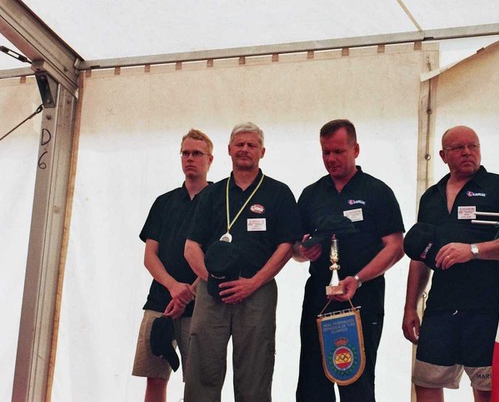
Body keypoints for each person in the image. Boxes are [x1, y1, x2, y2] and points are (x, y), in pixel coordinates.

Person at [402, 125, 499, 402]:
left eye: (473, 146)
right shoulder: (431, 197)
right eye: (458, 148)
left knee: (487, 388)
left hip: (487, 308)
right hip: (441, 307)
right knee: (426, 382)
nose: (467, 152)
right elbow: (419, 257)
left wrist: (473, 250)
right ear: (443, 155)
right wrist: (410, 306)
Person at [183, 122, 302, 402]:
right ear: (229, 150)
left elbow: (286, 246)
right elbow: (191, 247)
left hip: (257, 290)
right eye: (239, 144)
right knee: (202, 366)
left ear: (262, 151)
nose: (245, 149)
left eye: (251, 145)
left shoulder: (278, 193)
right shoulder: (212, 194)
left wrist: (253, 283)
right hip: (212, 292)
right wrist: (213, 280)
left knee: (255, 370)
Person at [294, 119, 405, 402]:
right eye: (326, 152)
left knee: (358, 382)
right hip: (320, 296)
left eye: (338, 151)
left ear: (356, 150)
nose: (331, 158)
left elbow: (396, 246)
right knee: (312, 381)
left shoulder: (377, 192)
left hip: (362, 295)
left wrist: (358, 279)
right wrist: (304, 251)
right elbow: (295, 248)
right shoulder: (311, 194)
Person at [132, 128, 214, 402]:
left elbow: (217, 257)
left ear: (210, 159)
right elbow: (149, 256)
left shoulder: (219, 201)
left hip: (201, 305)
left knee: (198, 383)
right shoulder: (164, 202)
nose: (190, 158)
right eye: (185, 153)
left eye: (197, 153)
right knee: (155, 379)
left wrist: (188, 292)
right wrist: (173, 287)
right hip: (160, 303)